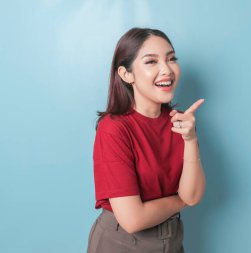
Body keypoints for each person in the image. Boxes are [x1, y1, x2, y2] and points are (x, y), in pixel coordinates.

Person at [87, 27, 206, 253]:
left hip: (172, 241)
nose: (166, 70)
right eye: (151, 62)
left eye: (171, 59)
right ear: (126, 74)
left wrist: (190, 139)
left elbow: (193, 194)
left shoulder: (180, 123)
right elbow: (132, 219)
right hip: (122, 243)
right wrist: (179, 202)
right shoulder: (114, 129)